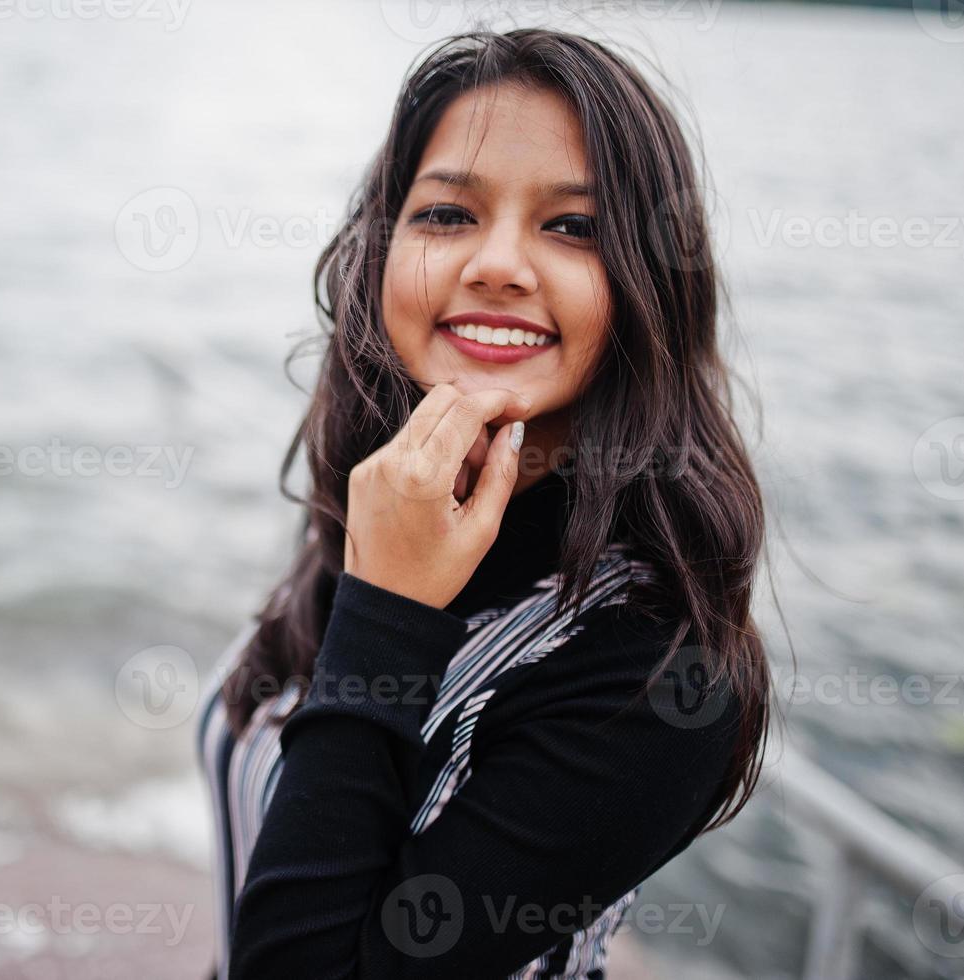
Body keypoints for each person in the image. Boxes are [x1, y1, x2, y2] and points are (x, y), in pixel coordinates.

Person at [192, 27, 773, 979]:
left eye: (573, 227)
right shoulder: (388, 505)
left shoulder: (657, 679)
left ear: (648, 290)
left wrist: (387, 614)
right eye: (447, 215)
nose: (496, 263)